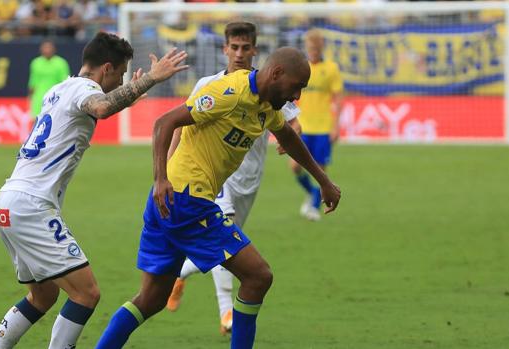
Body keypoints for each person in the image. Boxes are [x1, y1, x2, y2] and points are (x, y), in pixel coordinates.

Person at [95, 47, 341, 349]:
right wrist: (160, 178)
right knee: (258, 276)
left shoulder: (267, 105)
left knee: (151, 299)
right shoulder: (230, 91)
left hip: (171, 203)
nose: (297, 96)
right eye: (296, 86)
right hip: (186, 199)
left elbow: (288, 136)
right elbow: (164, 123)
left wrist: (324, 181)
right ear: (277, 74)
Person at [0, 32, 188, 349]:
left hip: (7, 203)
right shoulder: (86, 89)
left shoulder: (59, 89)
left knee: (43, 295)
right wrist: (149, 79)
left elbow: (92, 109)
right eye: (120, 74)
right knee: (87, 293)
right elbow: (102, 106)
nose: (120, 80)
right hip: (31, 205)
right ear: (107, 68)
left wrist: (126, 95)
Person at [164, 21, 301, 336]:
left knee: (225, 246)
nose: (239, 53)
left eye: (245, 48)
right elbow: (180, 126)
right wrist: (169, 167)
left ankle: (180, 274)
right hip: (210, 178)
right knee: (226, 247)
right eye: (234, 47)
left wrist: (289, 138)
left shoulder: (271, 88)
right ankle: (226, 312)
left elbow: (293, 124)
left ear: (254, 50)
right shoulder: (208, 84)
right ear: (225, 49)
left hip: (249, 179)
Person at [291, 29, 344, 221]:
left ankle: (314, 207)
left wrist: (336, 126)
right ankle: (312, 194)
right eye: (310, 48)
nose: (313, 51)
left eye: (316, 47)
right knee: (295, 167)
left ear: (321, 47)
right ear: (307, 47)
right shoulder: (301, 68)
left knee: (320, 172)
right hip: (303, 126)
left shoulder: (331, 68)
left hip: (322, 127)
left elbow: (338, 98)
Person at [28, 40, 71, 118]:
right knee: (37, 120)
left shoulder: (61, 63)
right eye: (45, 48)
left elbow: (66, 82)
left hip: (55, 97)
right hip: (39, 97)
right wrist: (30, 98)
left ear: (54, 50)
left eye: (49, 48)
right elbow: (32, 82)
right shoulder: (36, 62)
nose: (47, 50)